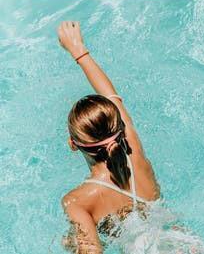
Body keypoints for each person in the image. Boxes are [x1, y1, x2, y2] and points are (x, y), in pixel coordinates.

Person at [57, 20, 161, 254]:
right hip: (181, 244)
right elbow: (112, 98)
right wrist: (78, 49)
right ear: (121, 129)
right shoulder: (134, 152)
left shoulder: (78, 201)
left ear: (73, 145)